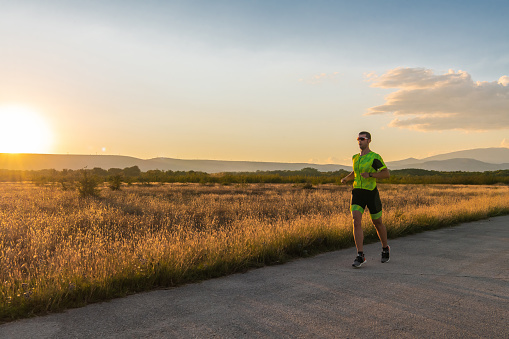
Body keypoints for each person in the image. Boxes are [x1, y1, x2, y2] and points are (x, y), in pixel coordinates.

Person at [341, 131, 390, 268]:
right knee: (356, 221)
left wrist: (370, 174)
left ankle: (385, 248)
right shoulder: (355, 157)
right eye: (358, 139)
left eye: (362, 139)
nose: (359, 141)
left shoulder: (374, 157)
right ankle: (360, 255)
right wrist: (347, 178)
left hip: (371, 193)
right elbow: (354, 172)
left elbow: (386, 174)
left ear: (369, 141)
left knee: (377, 222)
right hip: (357, 192)